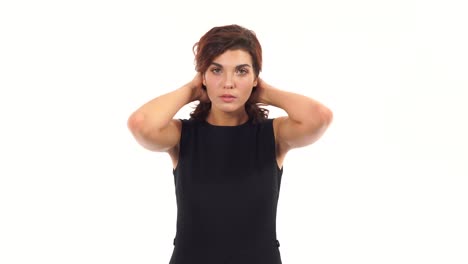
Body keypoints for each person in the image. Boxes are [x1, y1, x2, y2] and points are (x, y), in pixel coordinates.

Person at [127, 24, 333, 264]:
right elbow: (141, 124)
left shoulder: (274, 134)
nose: (228, 83)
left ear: (256, 77)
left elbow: (320, 116)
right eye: (216, 70)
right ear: (203, 75)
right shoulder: (183, 135)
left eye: (241, 71)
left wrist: (264, 92)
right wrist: (191, 89)